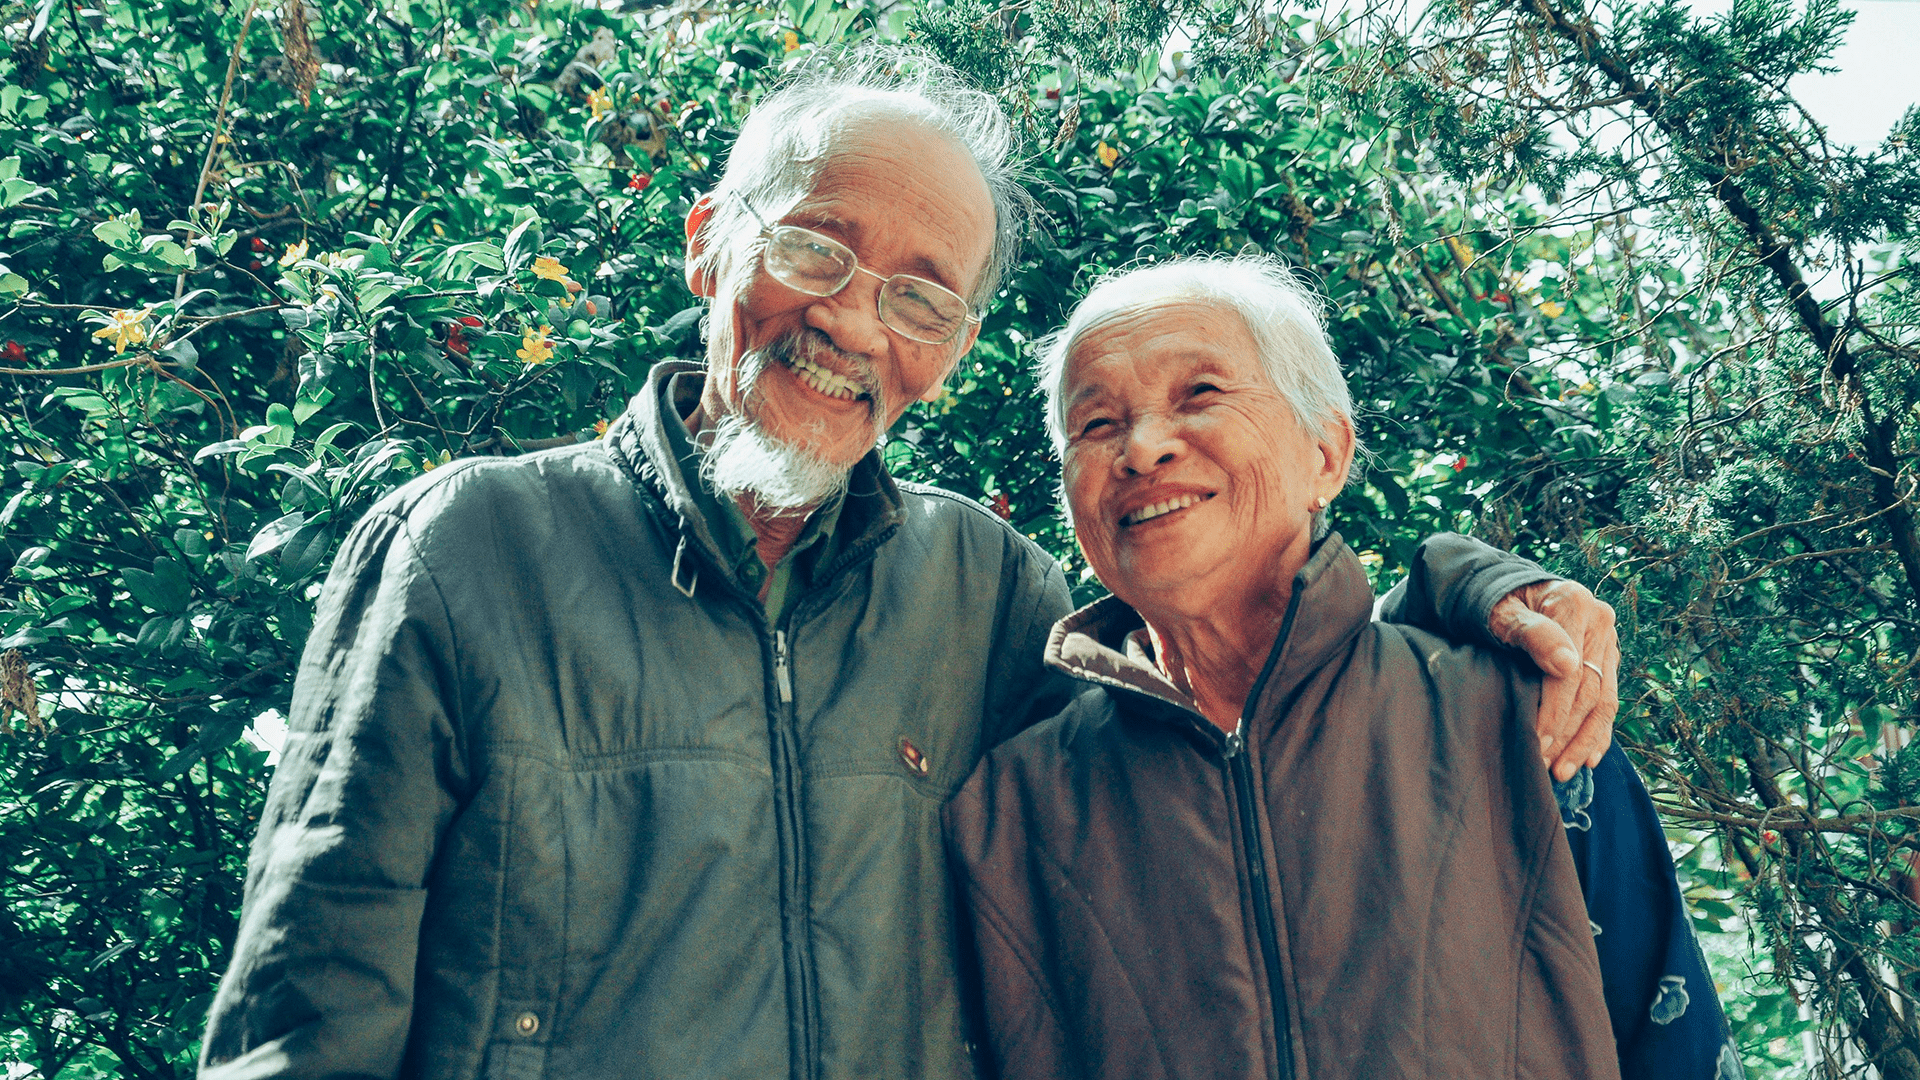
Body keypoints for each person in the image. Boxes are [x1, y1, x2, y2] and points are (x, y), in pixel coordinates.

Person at [198, 54, 1624, 1080]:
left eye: (923, 295)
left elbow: (1244, 696)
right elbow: (305, 1010)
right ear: (712, 246)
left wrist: (1465, 588)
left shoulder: (986, 589)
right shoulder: (470, 548)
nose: (855, 324)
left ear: (949, 349)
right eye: (815, 248)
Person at [943, 257, 1738, 1080]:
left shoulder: (1516, 714)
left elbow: (1673, 1037)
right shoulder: (1011, 809)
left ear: (1325, 454)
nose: (1142, 448)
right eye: (1097, 424)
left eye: (1201, 394)